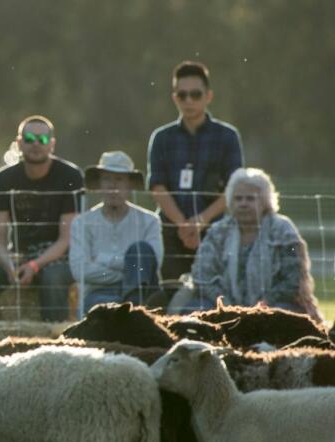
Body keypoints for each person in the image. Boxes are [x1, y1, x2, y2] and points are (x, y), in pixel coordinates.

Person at [0, 115, 82, 321]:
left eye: (42, 139)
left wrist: (34, 266)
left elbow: (66, 239)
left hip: (59, 257)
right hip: (18, 256)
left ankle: (56, 341)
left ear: (52, 144)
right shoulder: (2, 179)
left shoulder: (71, 176)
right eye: (29, 139)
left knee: (52, 279)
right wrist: (9, 266)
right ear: (19, 143)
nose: (36, 144)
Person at [147, 60, 244, 282]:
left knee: (214, 297)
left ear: (208, 96)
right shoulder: (162, 138)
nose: (188, 100)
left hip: (216, 233)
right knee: (170, 298)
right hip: (170, 235)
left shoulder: (227, 136)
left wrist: (201, 221)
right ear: (174, 98)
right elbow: (157, 186)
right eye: (182, 95)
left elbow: (234, 187)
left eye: (195, 94)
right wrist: (184, 224)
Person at [187, 168, 321, 319]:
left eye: (250, 199)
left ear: (264, 202)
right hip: (225, 307)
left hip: (271, 306)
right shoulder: (217, 232)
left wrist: (265, 303)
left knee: (283, 313)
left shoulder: (285, 231)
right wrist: (226, 304)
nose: (243, 204)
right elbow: (202, 277)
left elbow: (294, 279)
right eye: (238, 199)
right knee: (193, 308)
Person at [69, 151, 164, 313]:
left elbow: (153, 263)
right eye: (107, 179)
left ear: (129, 185)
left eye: (119, 179)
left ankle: (133, 304)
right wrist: (130, 274)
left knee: (140, 250)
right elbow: (80, 270)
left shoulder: (150, 221)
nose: (113, 186)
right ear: (99, 184)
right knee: (106, 310)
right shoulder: (81, 223)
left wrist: (102, 259)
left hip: (142, 295)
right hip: (99, 294)